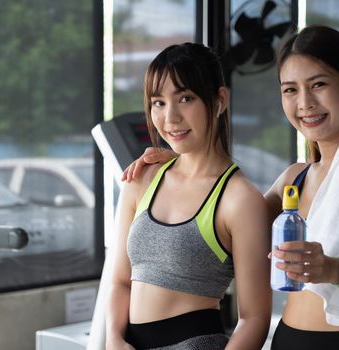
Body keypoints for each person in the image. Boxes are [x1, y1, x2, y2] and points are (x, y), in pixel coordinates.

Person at [122, 26, 339, 350]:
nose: (305, 103)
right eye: (290, 89)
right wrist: (182, 158)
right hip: (285, 341)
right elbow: (223, 214)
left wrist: (336, 269)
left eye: (318, 85)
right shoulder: (294, 178)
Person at [107, 42, 271, 350]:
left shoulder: (240, 199)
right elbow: (119, 281)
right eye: (158, 102)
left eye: (185, 98)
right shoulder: (141, 178)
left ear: (219, 100)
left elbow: (255, 318)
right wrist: (114, 339)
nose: (171, 118)